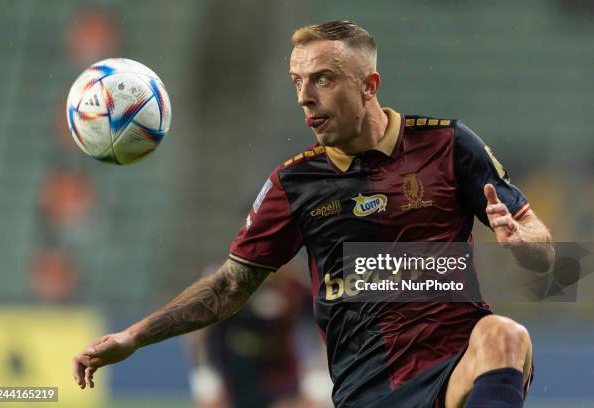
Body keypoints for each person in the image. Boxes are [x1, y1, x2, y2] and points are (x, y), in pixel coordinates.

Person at [73, 20, 554, 408]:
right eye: (297, 81)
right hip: (369, 391)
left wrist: (525, 244)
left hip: (454, 368)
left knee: (505, 335)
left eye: (322, 79)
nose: (305, 96)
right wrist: (134, 337)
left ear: (370, 86)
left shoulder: (448, 144)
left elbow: (548, 258)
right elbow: (227, 289)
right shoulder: (294, 185)